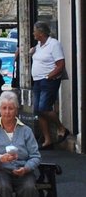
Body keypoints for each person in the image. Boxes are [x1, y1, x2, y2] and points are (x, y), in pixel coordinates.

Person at [31, 21, 70, 150]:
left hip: (49, 81)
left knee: (44, 107)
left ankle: (61, 128)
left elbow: (60, 64)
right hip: (37, 80)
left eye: (35, 31)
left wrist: (49, 76)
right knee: (38, 110)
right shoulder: (39, 45)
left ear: (41, 33)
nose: (33, 33)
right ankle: (48, 140)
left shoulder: (54, 44)